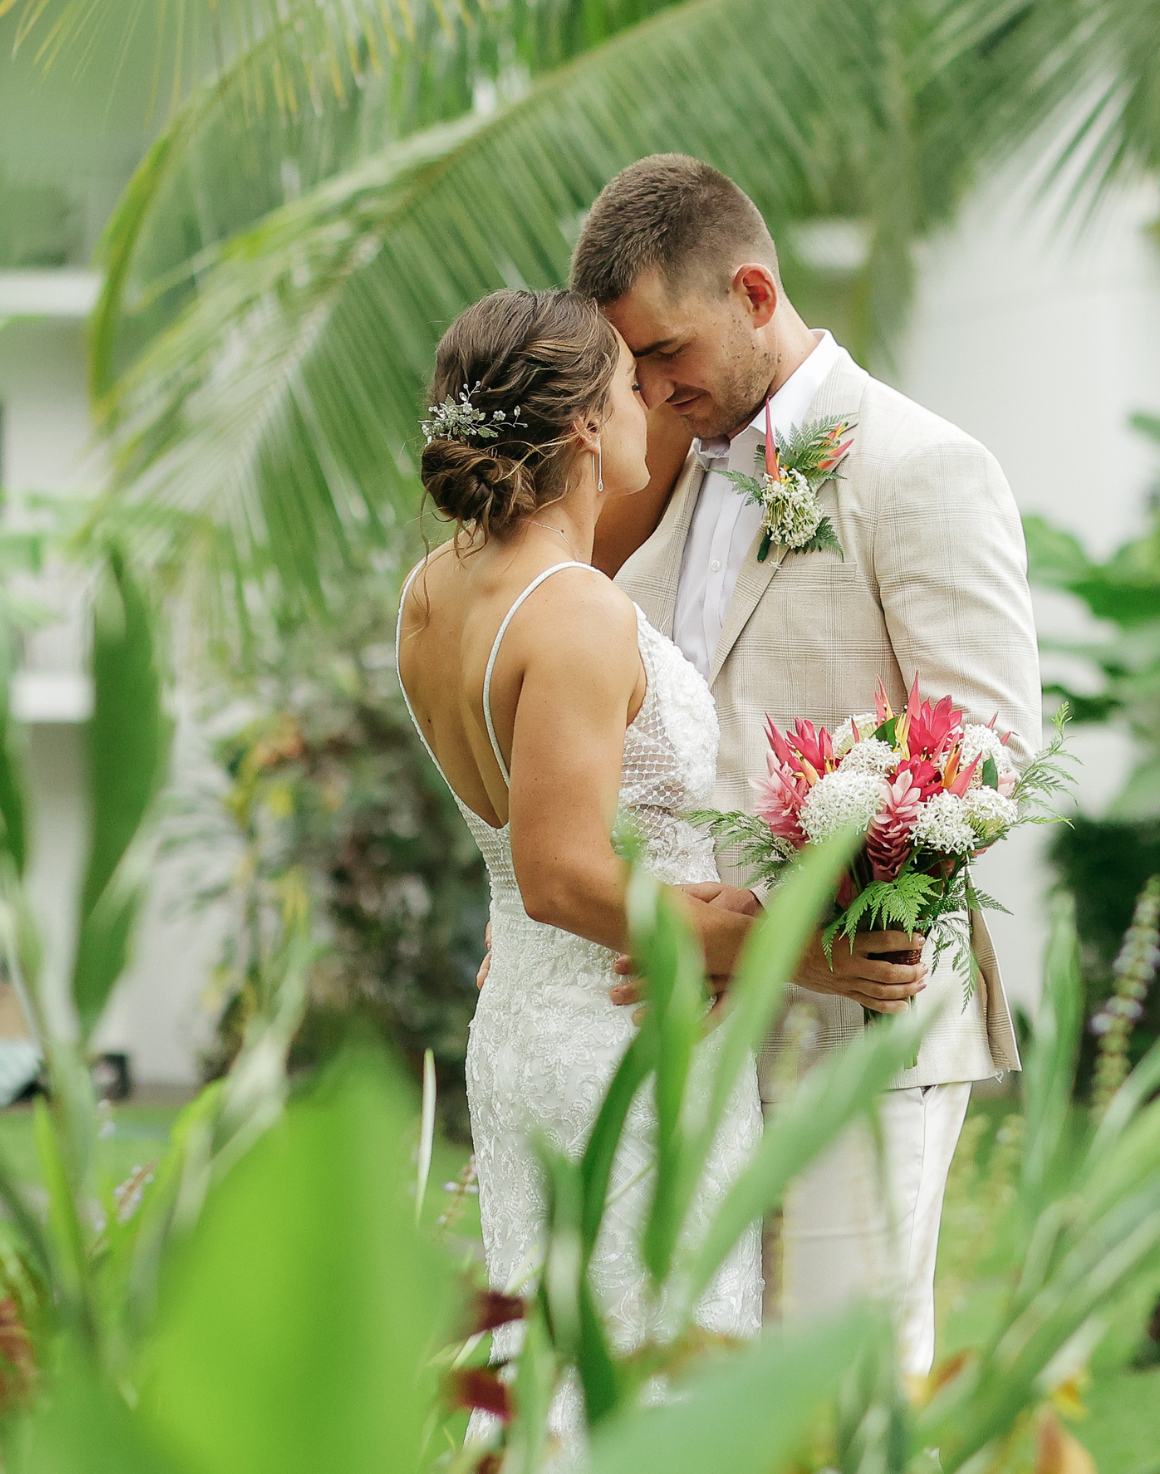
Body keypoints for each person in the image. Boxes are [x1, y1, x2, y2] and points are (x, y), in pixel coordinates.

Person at [574, 154, 1042, 1376]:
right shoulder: (663, 479)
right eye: (631, 368)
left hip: (860, 1022)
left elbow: (989, 752)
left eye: (666, 352)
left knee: (843, 1400)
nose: (650, 389)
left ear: (753, 293)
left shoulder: (921, 468)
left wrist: (793, 931)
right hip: (686, 1037)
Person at [395, 288, 792, 1426]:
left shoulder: (433, 591)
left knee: (555, 1371)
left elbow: (518, 840)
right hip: (624, 1045)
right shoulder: (572, 612)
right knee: (654, 1375)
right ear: (581, 425)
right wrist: (750, 937)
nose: (646, 404)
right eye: (628, 387)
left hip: (524, 1024)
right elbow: (559, 874)